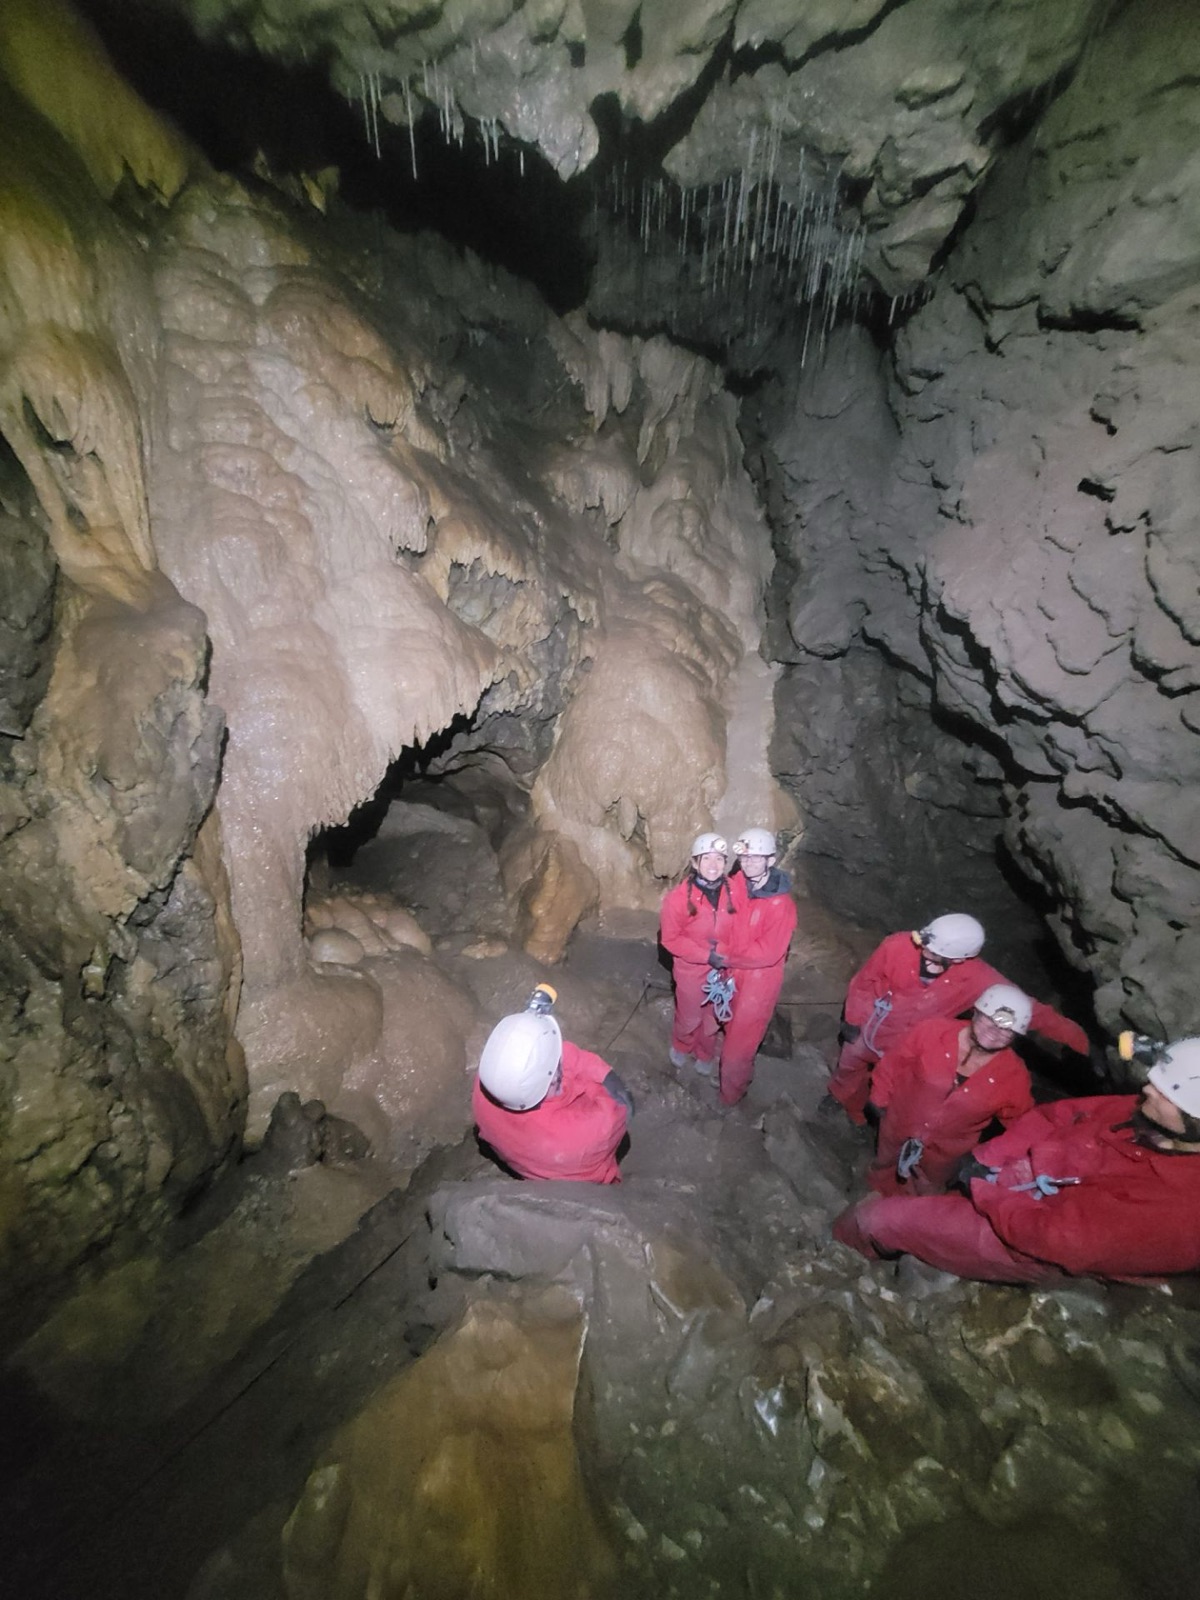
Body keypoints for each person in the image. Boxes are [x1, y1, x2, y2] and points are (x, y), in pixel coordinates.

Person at [833, 1036, 1200, 1284]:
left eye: (1165, 1093)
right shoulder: (1141, 1113)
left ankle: (834, 1258)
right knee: (925, 1204)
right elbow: (1054, 1116)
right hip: (1014, 1183)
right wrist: (990, 1157)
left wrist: (985, 1191)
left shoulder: (1182, 1212)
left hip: (1026, 1244)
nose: (1147, 1089)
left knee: (877, 1220)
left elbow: (1054, 1239)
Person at [828, 913, 1090, 1124]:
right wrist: (854, 1018)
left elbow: (1028, 1010)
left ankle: (878, 1120)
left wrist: (1079, 1040)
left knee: (904, 1085)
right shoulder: (898, 946)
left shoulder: (978, 978)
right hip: (871, 1028)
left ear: (959, 959)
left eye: (935, 955)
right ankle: (843, 1100)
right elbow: (865, 982)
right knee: (850, 1065)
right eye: (925, 948)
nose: (924, 954)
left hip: (914, 1042)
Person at [866, 984, 1035, 1196]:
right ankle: (875, 1189)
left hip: (946, 1152)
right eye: (990, 1019)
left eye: (1007, 1029)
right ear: (976, 1012)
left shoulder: (1014, 1077)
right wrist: (879, 1097)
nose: (995, 1030)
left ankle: (904, 1208)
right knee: (884, 1162)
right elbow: (894, 1062)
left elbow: (1023, 1125)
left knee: (924, 1188)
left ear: (1015, 1036)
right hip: (898, 1121)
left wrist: (988, 1157)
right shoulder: (933, 1032)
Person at [472, 985, 633, 1184]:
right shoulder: (593, 1129)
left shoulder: (485, 1085)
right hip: (580, 1175)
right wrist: (599, 1076)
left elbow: (547, 1058)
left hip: (525, 1158)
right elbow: (620, 1108)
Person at [718, 828, 797, 1105]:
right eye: (745, 857)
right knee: (726, 1023)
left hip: (759, 981)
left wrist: (724, 956)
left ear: (770, 860)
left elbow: (768, 953)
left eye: (756, 857)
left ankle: (730, 1097)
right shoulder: (735, 885)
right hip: (731, 972)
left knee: (737, 1049)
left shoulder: (781, 906)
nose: (749, 862)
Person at [659, 832, 740, 1074]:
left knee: (713, 1017)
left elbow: (744, 927)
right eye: (706, 858)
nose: (713, 865)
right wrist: (705, 955)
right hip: (691, 970)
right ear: (695, 863)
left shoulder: (735, 892)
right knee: (689, 1015)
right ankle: (682, 1044)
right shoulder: (677, 900)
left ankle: (705, 1052)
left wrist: (727, 953)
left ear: (725, 863)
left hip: (724, 967)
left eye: (719, 859)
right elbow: (670, 939)